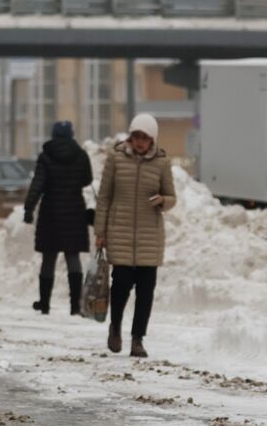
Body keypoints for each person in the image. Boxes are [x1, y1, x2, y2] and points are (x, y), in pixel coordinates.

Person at [94, 113, 176, 359]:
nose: (140, 142)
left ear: (152, 140)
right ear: (130, 137)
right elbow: (104, 197)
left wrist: (163, 201)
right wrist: (100, 232)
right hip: (119, 234)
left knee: (145, 292)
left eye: (145, 138)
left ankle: (138, 339)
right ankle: (115, 328)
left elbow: (172, 197)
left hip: (150, 237)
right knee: (120, 288)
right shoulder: (116, 159)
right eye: (136, 137)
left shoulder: (162, 163)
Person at [24, 120, 92, 316]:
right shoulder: (80, 155)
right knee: (73, 257)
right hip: (74, 211)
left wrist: (29, 209)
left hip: (51, 212)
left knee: (49, 257)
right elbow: (87, 179)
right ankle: (75, 306)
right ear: (71, 134)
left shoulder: (46, 156)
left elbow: (38, 184)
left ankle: (44, 304)